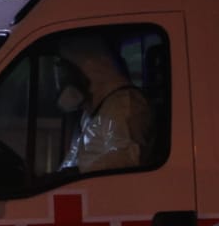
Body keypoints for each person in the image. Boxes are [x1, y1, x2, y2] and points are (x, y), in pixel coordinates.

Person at [57, 32, 155, 173]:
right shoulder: (96, 109)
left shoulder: (124, 106)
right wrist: (59, 175)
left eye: (68, 76)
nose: (64, 83)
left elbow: (127, 158)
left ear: (88, 72)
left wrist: (76, 174)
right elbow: (76, 156)